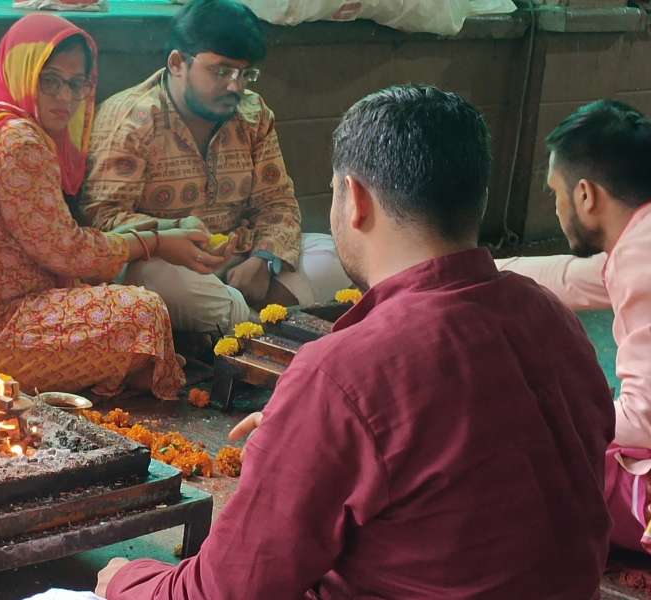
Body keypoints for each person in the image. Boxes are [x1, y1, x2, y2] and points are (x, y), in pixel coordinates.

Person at [96, 85, 613, 599]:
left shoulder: (344, 371)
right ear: (476, 197)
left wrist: (123, 579)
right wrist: (300, 441)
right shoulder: (550, 316)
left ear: (356, 199)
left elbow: (226, 592)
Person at [0, 14, 225, 402]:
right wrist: (154, 243)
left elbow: (52, 238)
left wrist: (154, 233)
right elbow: (65, 250)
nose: (66, 98)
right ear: (22, 72)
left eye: (76, 84)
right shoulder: (21, 140)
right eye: (50, 80)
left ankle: (124, 371)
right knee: (142, 310)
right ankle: (124, 374)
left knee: (118, 297)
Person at [83, 0, 349, 336]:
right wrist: (176, 235)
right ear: (178, 63)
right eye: (221, 71)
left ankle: (256, 330)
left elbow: (278, 203)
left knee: (333, 258)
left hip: (244, 258)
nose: (236, 87)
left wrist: (264, 260)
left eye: (245, 74)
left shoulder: (253, 115)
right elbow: (103, 219)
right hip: (170, 263)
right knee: (163, 282)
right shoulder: (133, 119)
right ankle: (271, 333)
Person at [497, 99, 651, 554]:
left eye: (555, 192)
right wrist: (470, 266)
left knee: (524, 455)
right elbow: (570, 277)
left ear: (585, 194)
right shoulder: (638, 240)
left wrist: (543, 413)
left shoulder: (641, 259)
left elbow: (643, 422)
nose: (557, 205)